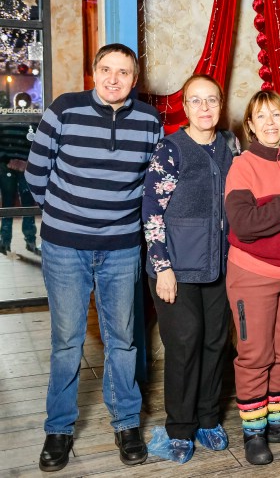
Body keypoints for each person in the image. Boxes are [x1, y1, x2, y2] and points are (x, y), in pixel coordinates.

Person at [24, 43, 162, 472]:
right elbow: (36, 174)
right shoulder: (64, 109)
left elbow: (153, 184)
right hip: (65, 247)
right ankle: (59, 429)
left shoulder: (150, 121)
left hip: (121, 247)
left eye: (123, 72)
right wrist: (65, 217)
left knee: (122, 339)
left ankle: (126, 423)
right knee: (67, 341)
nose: (113, 79)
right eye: (106, 69)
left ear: (134, 80)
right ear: (94, 71)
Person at [142, 74, 236, 464]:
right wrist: (162, 267)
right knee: (184, 343)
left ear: (220, 103)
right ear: (185, 106)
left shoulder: (230, 145)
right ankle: (180, 428)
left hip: (218, 264)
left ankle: (208, 418)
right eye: (195, 100)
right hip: (176, 268)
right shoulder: (170, 149)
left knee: (215, 341)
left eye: (211, 99)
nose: (204, 107)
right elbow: (152, 212)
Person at [224, 90, 280, 465]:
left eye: (276, 114)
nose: (270, 123)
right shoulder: (243, 165)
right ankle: (254, 431)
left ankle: (277, 422)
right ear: (250, 125)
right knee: (255, 354)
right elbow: (245, 224)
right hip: (252, 273)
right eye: (261, 116)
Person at [1, 93, 39, 255]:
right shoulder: (8, 120)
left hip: (21, 166)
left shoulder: (31, 122)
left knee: (22, 203)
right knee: (15, 203)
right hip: (11, 166)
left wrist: (24, 162)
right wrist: (9, 160)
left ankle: (14, 241)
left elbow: (38, 146)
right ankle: (10, 241)